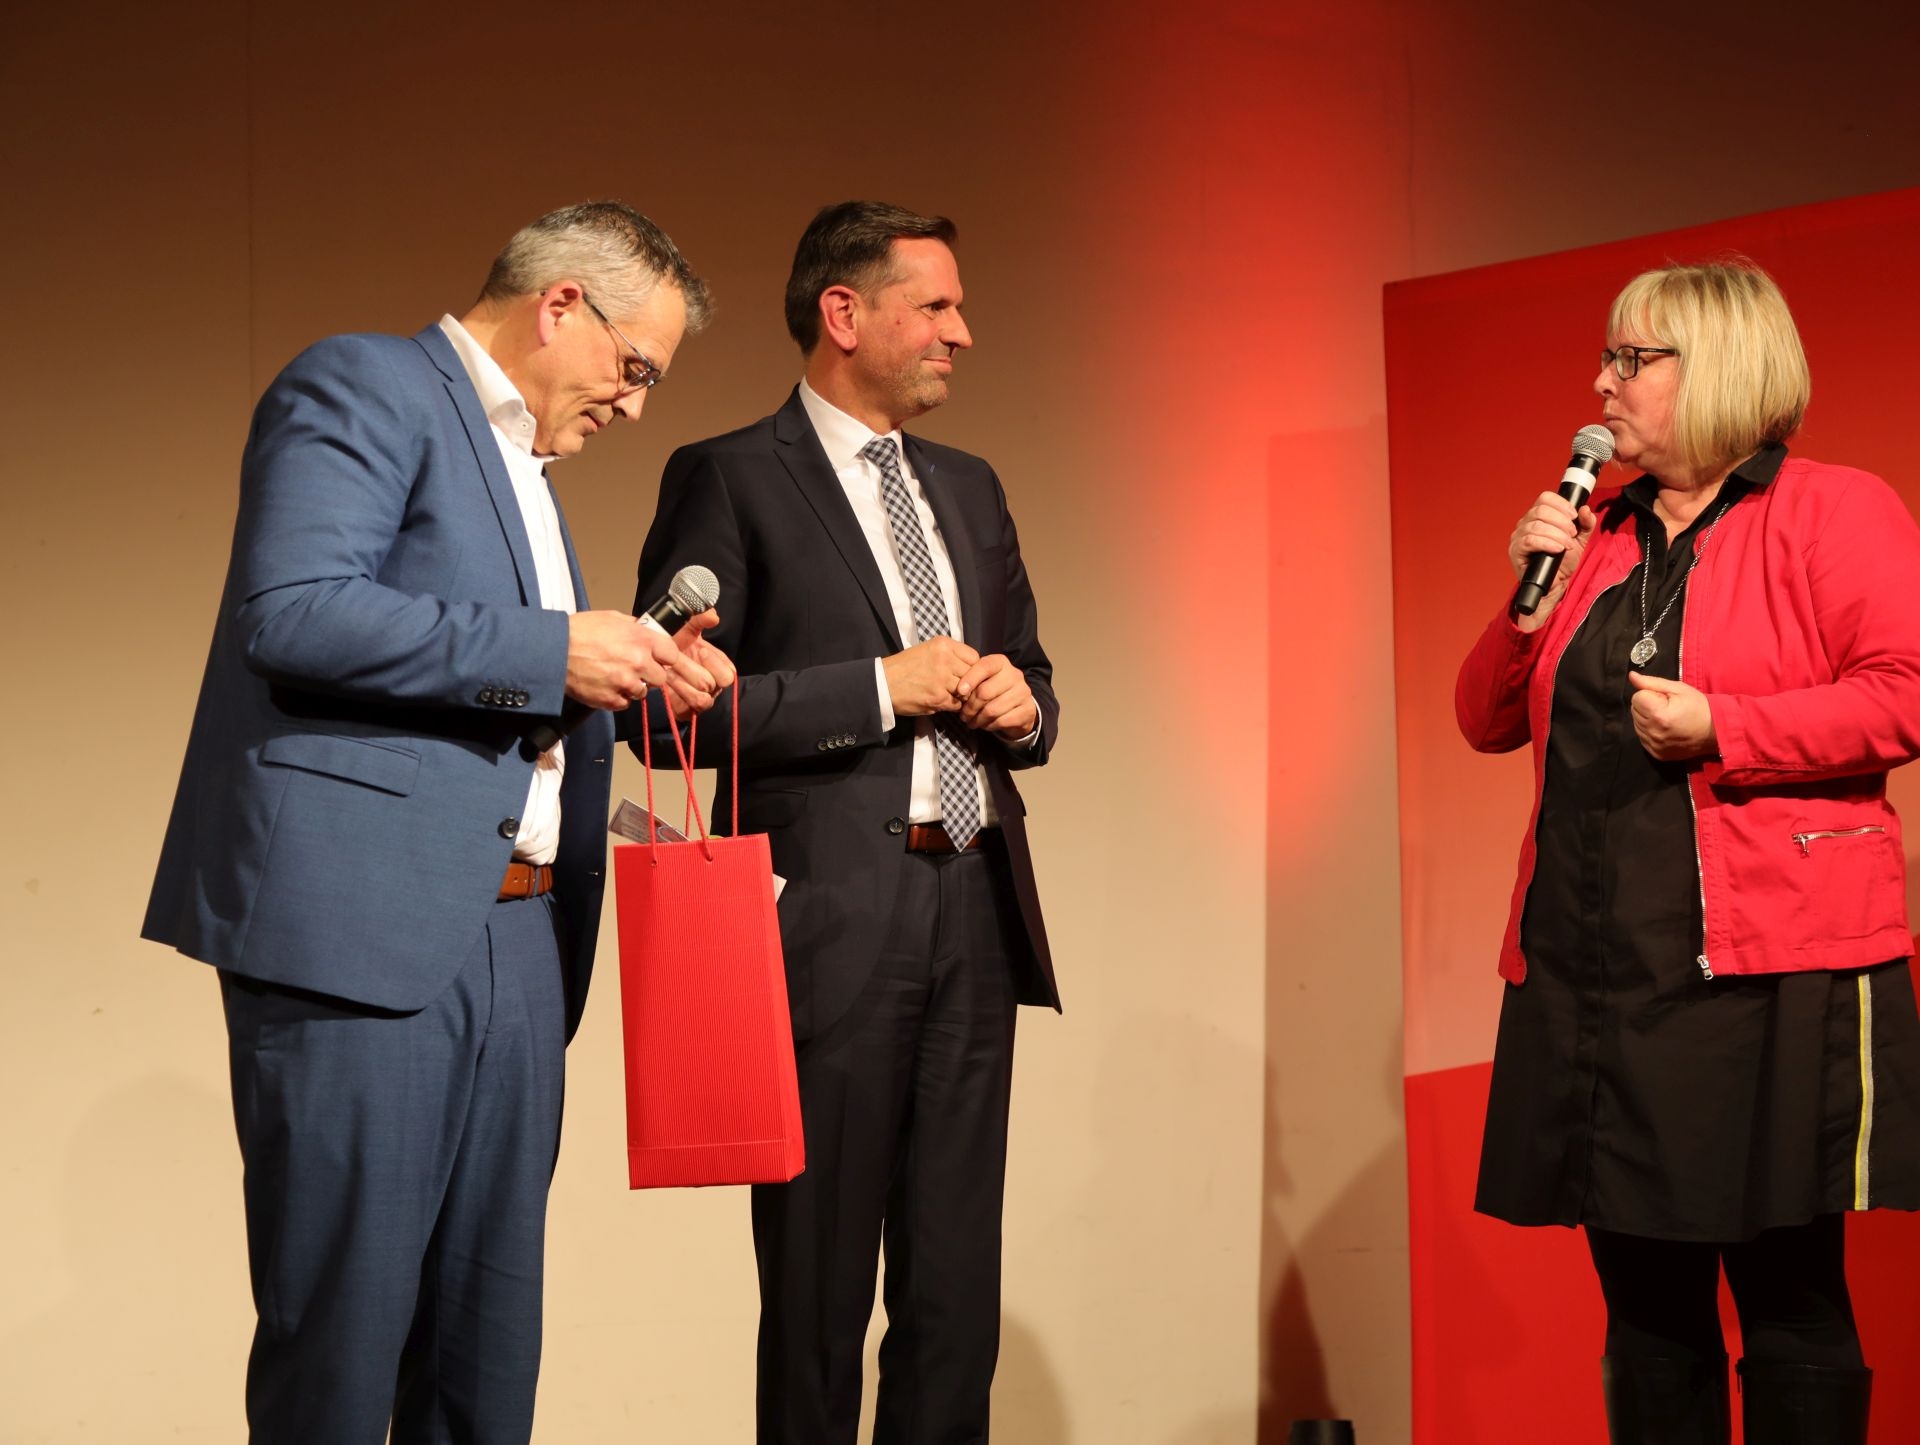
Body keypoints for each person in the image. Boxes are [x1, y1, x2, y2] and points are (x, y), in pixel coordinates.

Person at [142, 201, 732, 1443]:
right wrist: (553, 649)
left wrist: (633, 679)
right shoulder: (365, 382)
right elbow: (295, 610)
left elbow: (503, 687)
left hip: (522, 940)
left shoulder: (527, 472)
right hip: (364, 938)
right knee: (345, 1350)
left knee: (484, 1355)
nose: (637, 407)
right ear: (560, 303)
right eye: (637, 368)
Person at [1457, 260, 1920, 1445]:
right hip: (1594, 969)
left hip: (1765, 965)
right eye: (1606, 356)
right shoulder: (1599, 533)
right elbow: (1484, 717)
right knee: (1647, 1306)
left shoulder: (1832, 508)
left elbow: (1905, 691)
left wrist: (1730, 726)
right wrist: (1528, 596)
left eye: (1631, 358)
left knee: (1789, 1294)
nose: (1601, 383)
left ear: (1714, 369)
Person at [633, 200, 1059, 1444]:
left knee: (955, 1297)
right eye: (936, 306)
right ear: (845, 313)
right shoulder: (729, 475)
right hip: (824, 926)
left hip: (974, 908)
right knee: (819, 1295)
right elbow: (663, 711)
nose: (961, 333)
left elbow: (1038, 679)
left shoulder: (969, 488)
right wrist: (882, 688)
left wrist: (1023, 703)